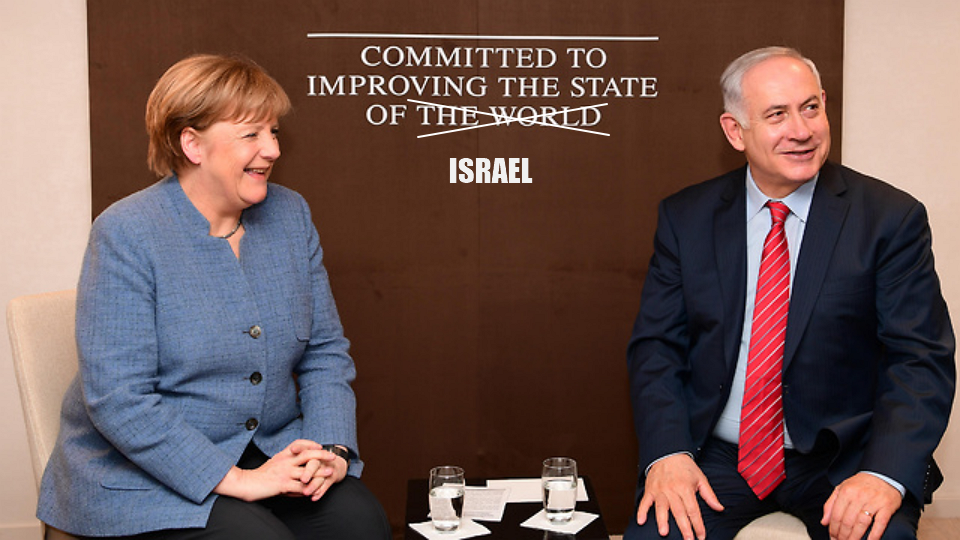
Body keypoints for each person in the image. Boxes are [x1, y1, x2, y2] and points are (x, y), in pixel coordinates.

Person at [36, 53, 391, 539]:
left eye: (273, 132)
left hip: (267, 450)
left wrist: (330, 450)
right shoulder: (126, 233)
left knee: (359, 522)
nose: (272, 149)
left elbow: (324, 353)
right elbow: (119, 399)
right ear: (192, 144)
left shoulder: (291, 216)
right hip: (143, 474)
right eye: (251, 134)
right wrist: (238, 481)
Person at [625, 46, 955, 540]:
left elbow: (920, 358)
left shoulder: (889, 219)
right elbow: (657, 348)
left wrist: (882, 474)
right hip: (719, 454)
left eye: (810, 108)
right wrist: (668, 453)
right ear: (735, 131)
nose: (801, 131)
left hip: (843, 457)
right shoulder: (686, 218)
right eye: (777, 115)